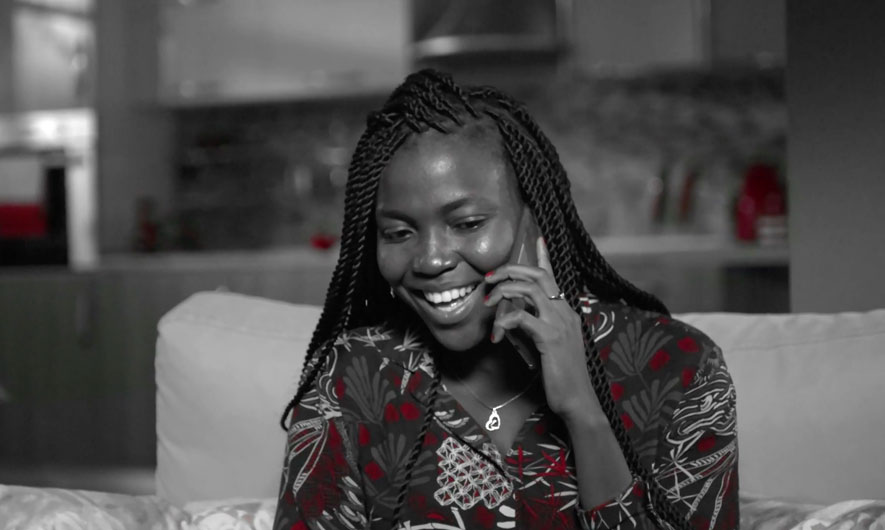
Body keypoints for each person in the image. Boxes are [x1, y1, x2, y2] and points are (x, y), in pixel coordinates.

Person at [273, 69, 738, 530]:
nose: (431, 260)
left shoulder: (678, 369)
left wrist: (583, 412)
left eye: (468, 224)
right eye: (398, 233)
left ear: (533, 217)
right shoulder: (348, 378)